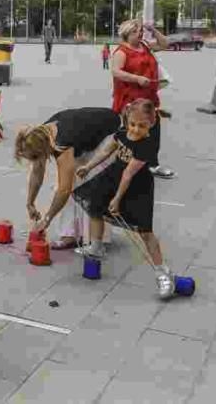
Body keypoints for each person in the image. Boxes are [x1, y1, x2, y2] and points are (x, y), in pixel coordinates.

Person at [72, 99, 176, 298]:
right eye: (132, 124)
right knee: (95, 205)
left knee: (145, 232)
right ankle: (96, 246)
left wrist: (117, 199)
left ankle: (163, 273)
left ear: (151, 124)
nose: (135, 130)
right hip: (113, 177)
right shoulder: (121, 133)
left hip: (137, 187)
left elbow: (129, 174)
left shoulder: (147, 146)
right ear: (127, 121)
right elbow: (106, 150)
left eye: (142, 126)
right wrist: (89, 166)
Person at [15, 107, 120, 250]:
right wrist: (30, 203)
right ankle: (69, 234)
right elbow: (37, 171)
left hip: (107, 134)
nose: (34, 161)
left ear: (43, 149)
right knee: (72, 184)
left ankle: (96, 240)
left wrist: (47, 219)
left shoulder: (61, 144)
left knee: (93, 185)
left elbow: (64, 189)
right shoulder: (39, 136)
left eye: (34, 157)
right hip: (82, 138)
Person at [111, 19, 174, 179]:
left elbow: (165, 44)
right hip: (130, 100)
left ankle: (152, 165)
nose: (140, 34)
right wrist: (136, 78)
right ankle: (125, 166)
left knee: (153, 132)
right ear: (127, 34)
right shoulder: (121, 52)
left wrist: (153, 30)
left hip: (149, 98)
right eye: (136, 31)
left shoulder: (145, 45)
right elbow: (116, 72)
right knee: (132, 133)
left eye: (140, 31)